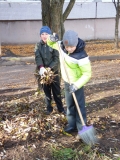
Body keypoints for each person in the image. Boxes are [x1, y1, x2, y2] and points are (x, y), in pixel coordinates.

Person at [47, 30, 92, 133]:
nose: (69, 49)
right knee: (70, 104)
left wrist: (76, 85)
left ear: (76, 44)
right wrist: (51, 38)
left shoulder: (82, 56)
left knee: (79, 106)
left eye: (72, 47)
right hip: (67, 81)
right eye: (68, 47)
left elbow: (87, 74)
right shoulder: (61, 46)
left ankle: (81, 127)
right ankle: (72, 125)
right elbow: (50, 43)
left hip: (77, 83)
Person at [34, 26, 66, 115]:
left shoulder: (54, 44)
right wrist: (41, 67)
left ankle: (61, 108)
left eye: (46, 34)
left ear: (49, 35)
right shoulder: (38, 45)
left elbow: (56, 58)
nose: (44, 36)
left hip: (53, 72)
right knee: (46, 92)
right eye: (42, 34)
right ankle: (49, 108)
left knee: (57, 91)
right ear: (40, 35)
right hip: (43, 73)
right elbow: (38, 57)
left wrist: (49, 68)